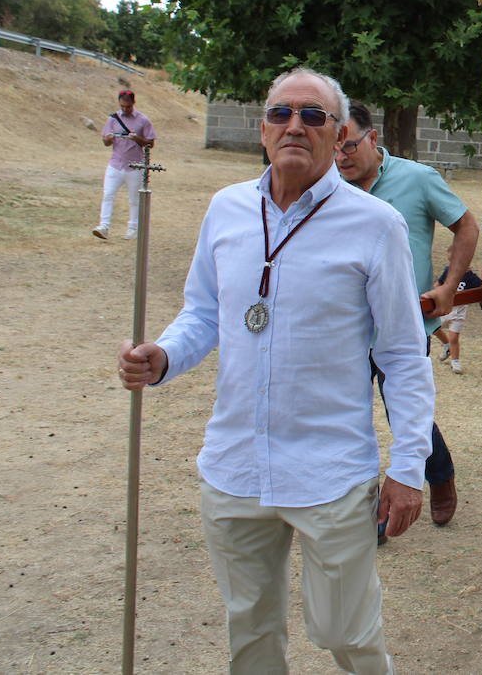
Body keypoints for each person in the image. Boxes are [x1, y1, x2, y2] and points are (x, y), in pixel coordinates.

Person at [116, 68, 432, 673]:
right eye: (281, 114)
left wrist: (410, 466)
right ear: (263, 130)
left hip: (330, 472)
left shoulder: (375, 225)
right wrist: (162, 357)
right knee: (251, 636)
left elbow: (401, 354)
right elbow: (204, 313)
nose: (295, 126)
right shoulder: (226, 209)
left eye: (313, 116)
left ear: (338, 134)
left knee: (346, 634)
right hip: (235, 466)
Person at [335, 102, 476, 529]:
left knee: (403, 412)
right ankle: (365, 512)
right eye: (334, 150)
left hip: (404, 323)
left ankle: (440, 475)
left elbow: (467, 227)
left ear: (373, 139)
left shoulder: (417, 179)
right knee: (347, 415)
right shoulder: (327, 187)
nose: (341, 157)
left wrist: (449, 286)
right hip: (344, 326)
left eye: (349, 146)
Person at [94, 89, 156, 240]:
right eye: (122, 106)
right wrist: (108, 138)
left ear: (133, 103)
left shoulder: (143, 120)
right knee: (108, 194)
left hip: (135, 165)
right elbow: (105, 142)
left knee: (134, 199)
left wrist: (137, 139)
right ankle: (104, 226)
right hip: (116, 163)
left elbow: (151, 143)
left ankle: (133, 228)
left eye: (127, 106)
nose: (125, 109)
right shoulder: (113, 119)